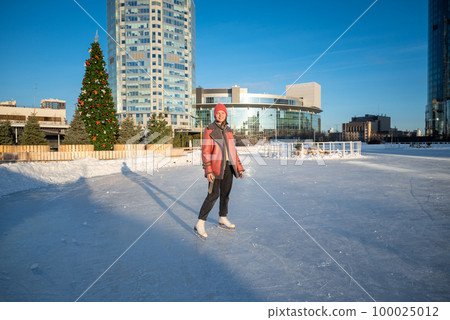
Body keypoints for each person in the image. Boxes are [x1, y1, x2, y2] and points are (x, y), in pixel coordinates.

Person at [194, 103, 244, 239]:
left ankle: (222, 217)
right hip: (215, 168)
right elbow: (205, 152)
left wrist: (239, 168)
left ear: (226, 115)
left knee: (225, 194)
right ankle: (200, 222)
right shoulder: (209, 129)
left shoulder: (228, 130)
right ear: (214, 115)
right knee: (213, 195)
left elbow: (233, 151)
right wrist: (208, 170)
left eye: (222, 113)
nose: (220, 115)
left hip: (228, 167)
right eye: (217, 113)